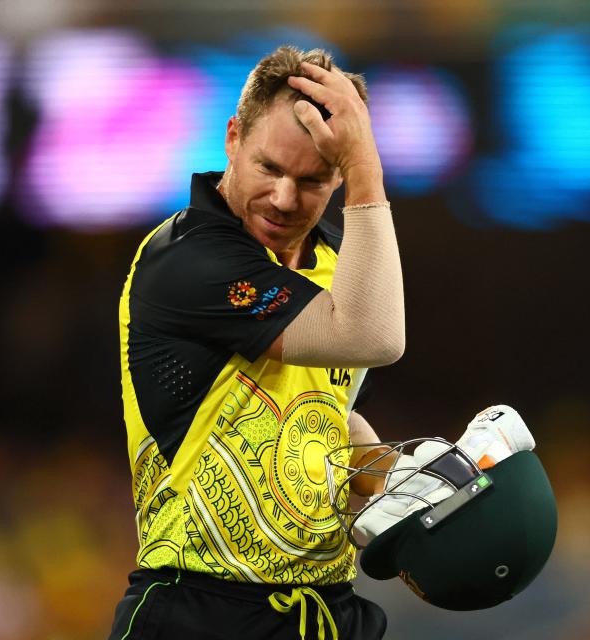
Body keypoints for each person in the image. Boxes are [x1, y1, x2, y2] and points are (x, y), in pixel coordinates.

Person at [109, 46, 404, 640]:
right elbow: (376, 336)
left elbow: (325, 414)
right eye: (270, 168)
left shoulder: (334, 266)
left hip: (326, 612)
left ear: (335, 175)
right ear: (233, 138)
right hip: (199, 611)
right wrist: (368, 168)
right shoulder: (186, 259)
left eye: (314, 178)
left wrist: (393, 474)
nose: (286, 199)